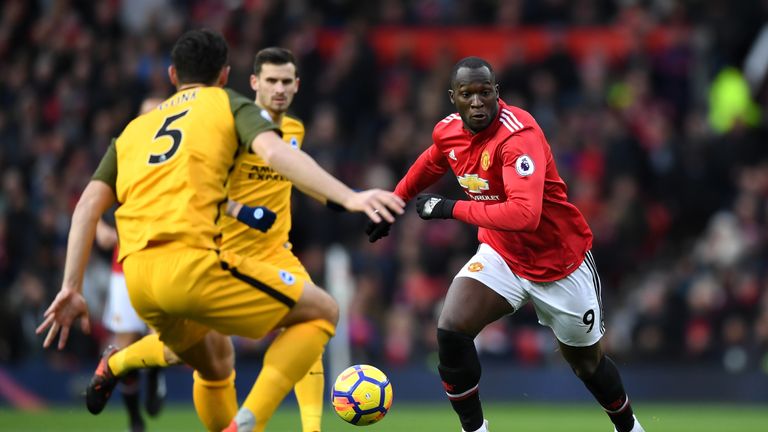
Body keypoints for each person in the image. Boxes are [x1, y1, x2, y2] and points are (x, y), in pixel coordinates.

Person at [36, 29, 405, 432]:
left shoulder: (133, 130)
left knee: (214, 362)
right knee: (322, 313)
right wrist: (350, 197)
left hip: (139, 274)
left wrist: (70, 287)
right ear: (228, 76)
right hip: (196, 261)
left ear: (173, 75)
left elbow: (87, 207)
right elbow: (275, 153)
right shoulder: (229, 105)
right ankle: (246, 425)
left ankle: (120, 362)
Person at [366, 57, 644, 432]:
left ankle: (629, 427)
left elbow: (524, 215)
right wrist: (394, 201)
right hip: (502, 255)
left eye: (485, 92)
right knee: (450, 329)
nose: (478, 102)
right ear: (454, 98)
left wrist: (450, 209)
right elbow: (433, 161)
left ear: (497, 93)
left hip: (558, 264)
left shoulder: (518, 138)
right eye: (468, 94)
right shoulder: (448, 131)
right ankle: (475, 430)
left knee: (587, 364)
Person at [88, 47, 329, 432]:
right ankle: (119, 362)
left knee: (311, 318)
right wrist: (243, 213)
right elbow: (201, 186)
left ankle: (312, 428)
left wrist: (330, 199)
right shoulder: (227, 125)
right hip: (220, 249)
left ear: (297, 85)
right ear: (253, 83)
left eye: (286, 81)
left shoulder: (295, 130)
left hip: (273, 251)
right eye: (271, 81)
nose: (279, 89)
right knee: (192, 353)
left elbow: (290, 179)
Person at [94, 97, 167, 432]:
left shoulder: (176, 161)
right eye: (146, 116)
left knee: (163, 340)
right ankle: (135, 418)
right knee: (126, 343)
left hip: (166, 262)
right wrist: (104, 231)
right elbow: (90, 208)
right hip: (125, 266)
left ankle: (155, 375)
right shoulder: (124, 157)